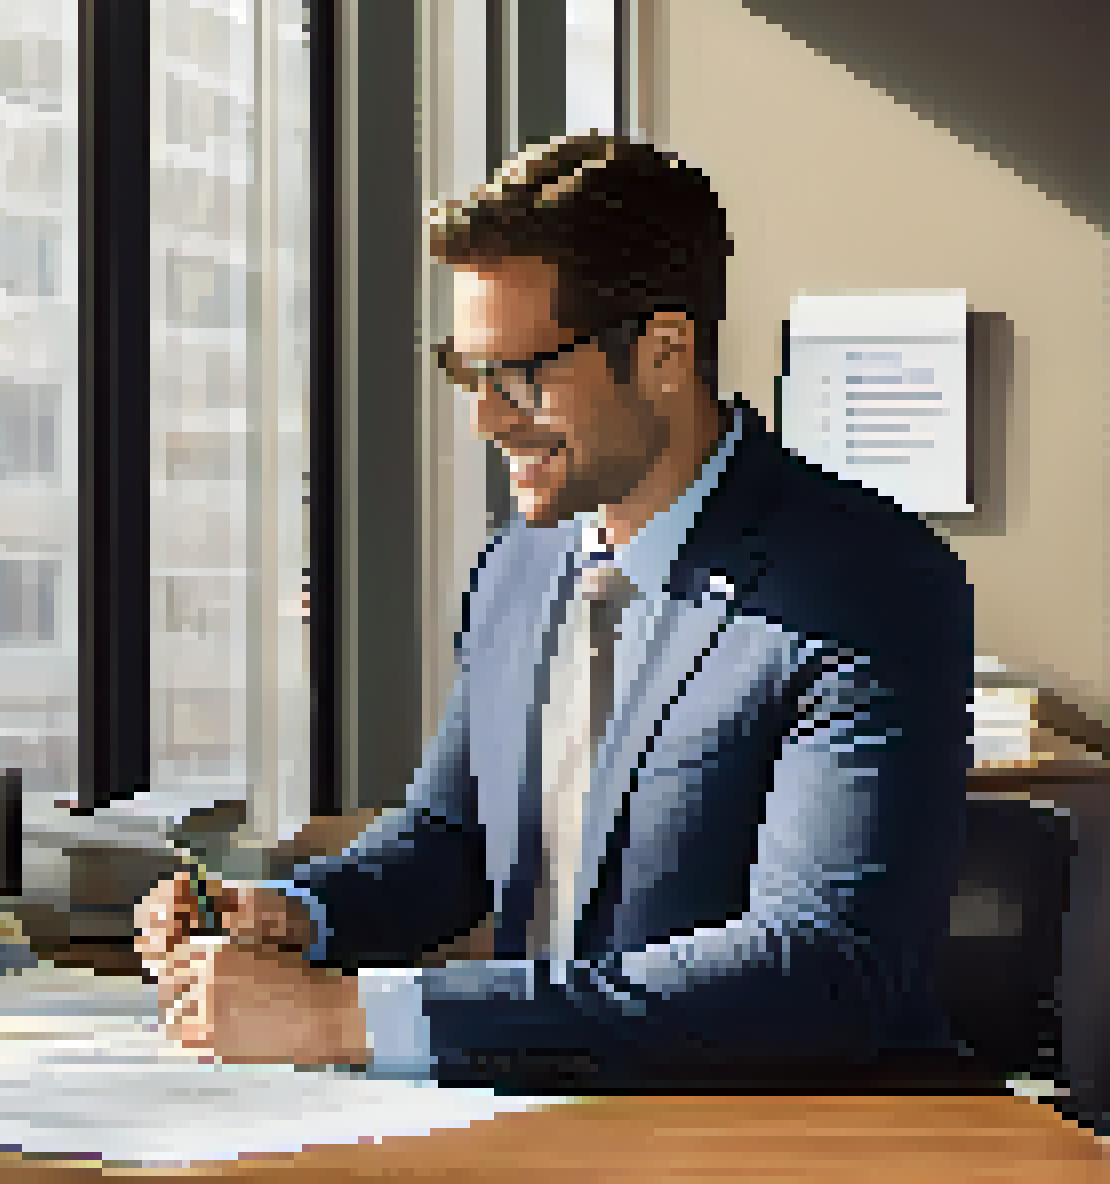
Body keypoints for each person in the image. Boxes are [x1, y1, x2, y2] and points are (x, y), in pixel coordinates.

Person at [135, 132, 973, 1090]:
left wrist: (344, 1015)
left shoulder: (864, 585)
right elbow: (451, 838)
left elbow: (820, 970)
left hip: (778, 1140)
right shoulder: (523, 560)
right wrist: (298, 915)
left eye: (523, 377)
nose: (488, 419)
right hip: (539, 1119)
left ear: (665, 353)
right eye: (470, 372)